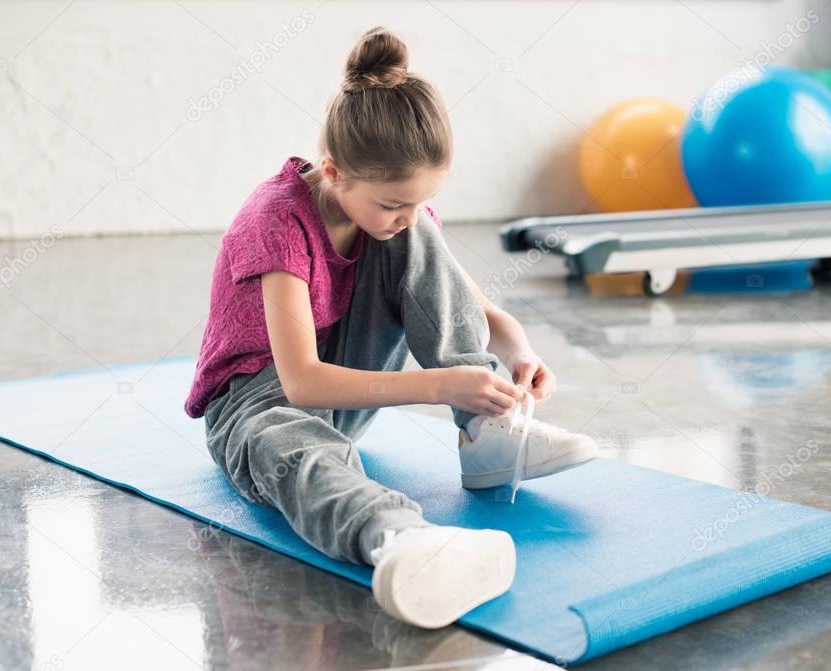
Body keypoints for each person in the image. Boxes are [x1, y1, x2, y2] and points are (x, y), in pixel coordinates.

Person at [184, 26, 598, 629]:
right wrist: (440, 386)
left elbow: (475, 307)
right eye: (392, 205)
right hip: (257, 403)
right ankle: (402, 541)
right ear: (334, 172)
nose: (403, 218)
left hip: (346, 388)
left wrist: (519, 353)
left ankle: (487, 432)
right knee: (299, 452)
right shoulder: (273, 222)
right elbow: (299, 385)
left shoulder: (395, 220)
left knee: (421, 236)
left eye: (416, 201)